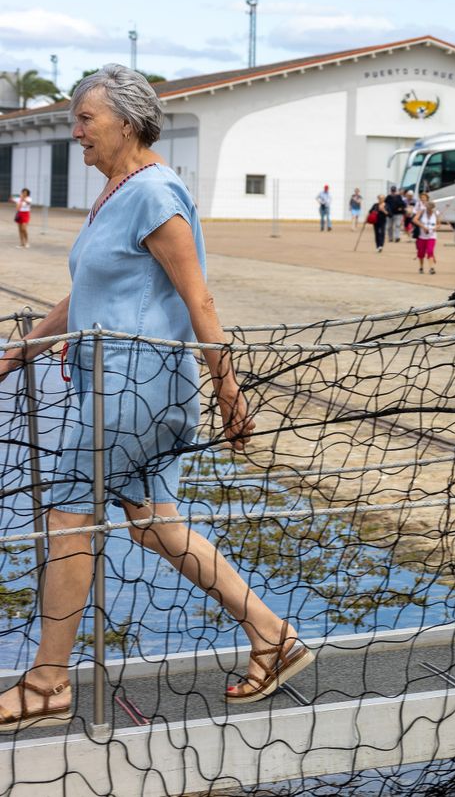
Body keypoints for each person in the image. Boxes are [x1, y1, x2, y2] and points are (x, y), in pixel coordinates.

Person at [0, 65, 310, 729]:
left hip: (133, 388)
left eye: (86, 119)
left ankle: (48, 683)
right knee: (153, 524)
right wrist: (21, 352)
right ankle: (273, 636)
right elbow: (89, 291)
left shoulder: (156, 193)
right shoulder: (119, 191)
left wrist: (230, 395)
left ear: (127, 121)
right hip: (115, 385)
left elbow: (199, 298)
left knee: (70, 518)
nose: (75, 131)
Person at [414, 192, 438, 274]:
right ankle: (421, 267)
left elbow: (439, 224)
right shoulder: (422, 211)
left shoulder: (436, 213)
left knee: (430, 251)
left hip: (432, 236)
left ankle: (431, 268)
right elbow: (414, 220)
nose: (429, 210)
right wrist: (423, 227)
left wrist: (435, 228)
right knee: (421, 253)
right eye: (428, 208)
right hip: (422, 236)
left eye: (431, 209)